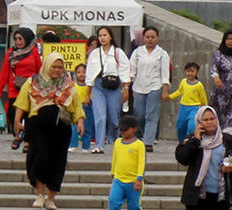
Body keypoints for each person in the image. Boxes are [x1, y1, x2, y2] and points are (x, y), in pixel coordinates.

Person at [13, 51, 86, 210]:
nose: (57, 70)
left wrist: (80, 121)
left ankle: (51, 198)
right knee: (39, 158)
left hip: (61, 130)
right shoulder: (33, 82)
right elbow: (22, 103)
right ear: (47, 66)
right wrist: (17, 121)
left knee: (57, 162)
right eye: (54, 66)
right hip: (38, 128)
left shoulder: (68, 84)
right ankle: (40, 195)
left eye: (60, 67)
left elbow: (76, 105)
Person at [84, 26, 131, 154]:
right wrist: (87, 94)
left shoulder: (117, 52)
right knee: (100, 116)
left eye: (105, 35)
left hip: (113, 86)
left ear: (110, 36)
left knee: (113, 117)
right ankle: (99, 144)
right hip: (98, 86)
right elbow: (90, 74)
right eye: (100, 36)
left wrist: (125, 88)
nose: (102, 38)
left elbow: (125, 71)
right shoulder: (94, 53)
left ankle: (115, 141)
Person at [0, 27, 41, 150]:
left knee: (28, 114)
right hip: (14, 88)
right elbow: (4, 72)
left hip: (30, 87)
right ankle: (18, 134)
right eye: (16, 39)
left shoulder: (34, 52)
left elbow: (39, 70)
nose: (18, 41)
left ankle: (27, 140)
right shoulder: (11, 53)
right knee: (12, 112)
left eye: (20, 39)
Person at [128, 26, 172, 152]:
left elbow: (165, 73)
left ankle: (148, 142)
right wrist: (127, 85)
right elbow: (132, 70)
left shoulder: (162, 54)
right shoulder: (137, 52)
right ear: (144, 38)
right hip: (139, 87)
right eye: (148, 37)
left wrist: (164, 90)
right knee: (139, 115)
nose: (150, 40)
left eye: (153, 37)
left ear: (157, 38)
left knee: (151, 115)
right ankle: (141, 135)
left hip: (155, 86)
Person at [105, 115, 145, 210]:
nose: (122, 132)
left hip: (133, 181)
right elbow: (115, 158)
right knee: (113, 200)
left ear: (134, 129)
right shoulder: (118, 142)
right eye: (120, 130)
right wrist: (113, 173)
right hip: (119, 179)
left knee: (134, 207)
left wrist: (139, 179)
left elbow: (141, 163)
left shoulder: (139, 145)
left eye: (125, 129)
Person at [168, 62, 208, 142]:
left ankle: (190, 141)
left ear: (196, 72)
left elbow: (203, 98)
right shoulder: (183, 82)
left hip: (194, 108)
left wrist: (205, 108)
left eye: (192, 71)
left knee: (191, 126)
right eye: (188, 71)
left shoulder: (199, 85)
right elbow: (179, 92)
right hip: (183, 107)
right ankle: (182, 142)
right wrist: (169, 97)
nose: (190, 73)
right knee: (180, 127)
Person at [69, 63, 94, 152]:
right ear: (75, 74)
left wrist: (89, 100)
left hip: (87, 107)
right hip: (76, 108)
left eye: (84, 72)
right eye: (79, 72)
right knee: (74, 127)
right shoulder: (74, 86)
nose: (81, 74)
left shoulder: (89, 86)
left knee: (87, 126)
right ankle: (73, 144)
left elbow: (93, 97)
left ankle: (86, 146)